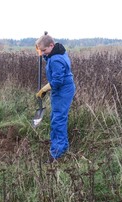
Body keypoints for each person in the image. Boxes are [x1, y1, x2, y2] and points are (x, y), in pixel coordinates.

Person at [35, 32, 76, 163]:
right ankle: (58, 145)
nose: (43, 53)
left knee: (58, 119)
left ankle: (57, 153)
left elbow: (57, 81)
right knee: (56, 117)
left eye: (44, 50)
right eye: (40, 51)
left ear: (51, 45)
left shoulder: (56, 59)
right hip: (62, 89)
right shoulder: (56, 53)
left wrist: (44, 89)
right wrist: (43, 52)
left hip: (62, 90)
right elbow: (50, 56)